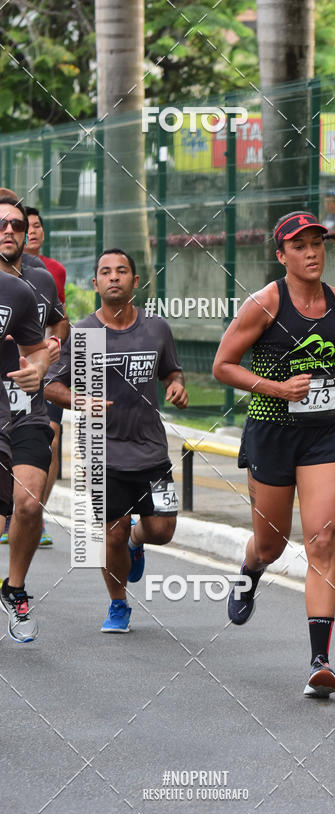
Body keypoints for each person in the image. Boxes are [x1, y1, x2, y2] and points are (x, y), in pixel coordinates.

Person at [213, 210, 335, 697]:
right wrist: (276, 388)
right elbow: (223, 365)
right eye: (300, 245)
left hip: (327, 432)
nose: (312, 253)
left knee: (322, 541)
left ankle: (319, 661)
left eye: (318, 244)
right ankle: (251, 570)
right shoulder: (264, 304)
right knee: (271, 543)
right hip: (272, 431)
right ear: (281, 254)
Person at [45, 248, 188, 633]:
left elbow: (172, 372)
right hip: (102, 455)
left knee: (163, 530)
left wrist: (176, 386)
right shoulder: (85, 333)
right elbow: (51, 386)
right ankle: (118, 604)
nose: (114, 277)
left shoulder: (156, 328)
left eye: (121, 271)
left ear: (134, 282)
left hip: (153, 452)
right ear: (95, 284)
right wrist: (81, 401)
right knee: (113, 531)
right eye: (105, 272)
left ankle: (138, 543)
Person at [0, 197, 68, 642]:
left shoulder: (25, 289)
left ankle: (15, 588)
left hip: (24, 409)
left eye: (17, 225)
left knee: (28, 503)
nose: (9, 230)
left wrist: (40, 368)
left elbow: (40, 345)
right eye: (1, 223)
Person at [25, 205, 68, 546]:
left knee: (50, 439)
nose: (32, 231)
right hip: (10, 375)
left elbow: (60, 320)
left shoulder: (51, 272)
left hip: (48, 371)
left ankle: (35, 513)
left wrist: (52, 347)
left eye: (37, 226)